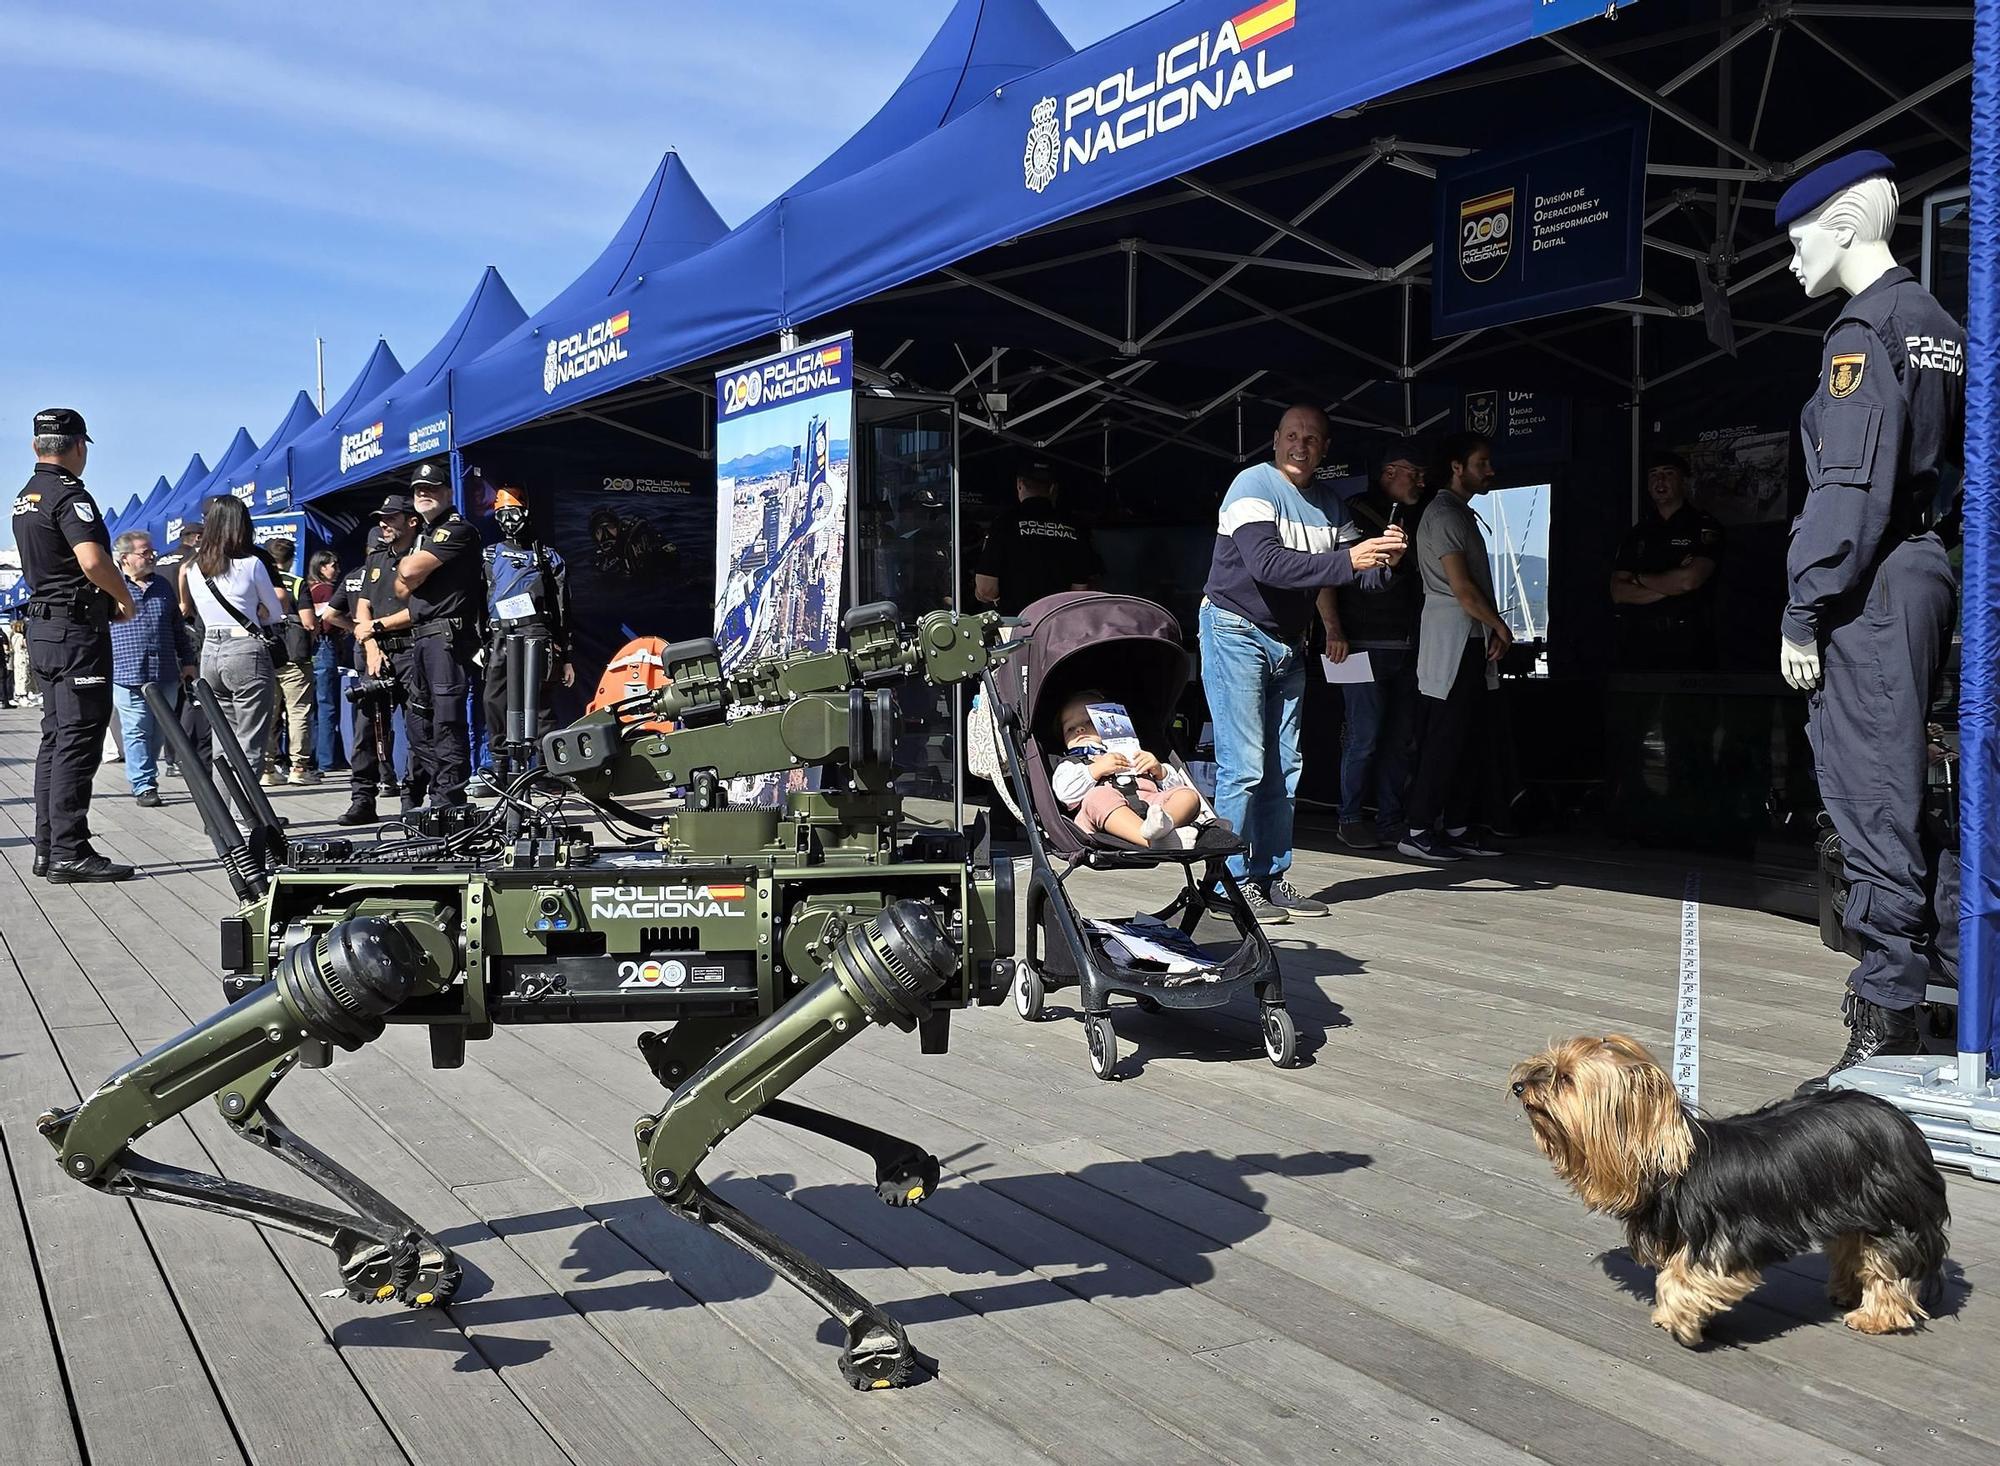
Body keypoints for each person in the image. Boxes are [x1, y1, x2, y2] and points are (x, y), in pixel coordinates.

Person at [1771, 154, 1965, 1092]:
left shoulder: (1862, 331)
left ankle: (1888, 1020)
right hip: (1927, 573)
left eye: (1799, 238)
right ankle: (1964, 994)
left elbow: (1847, 491)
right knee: (1933, 802)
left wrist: (1802, 609)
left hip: (1872, 587)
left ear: (1844, 225)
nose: (1791, 261)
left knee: (1872, 794)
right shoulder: (1942, 328)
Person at [1199, 404, 1405, 922]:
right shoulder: (1252, 485)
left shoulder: (1331, 504)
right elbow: (1267, 564)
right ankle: (1227, 884)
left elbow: (1361, 577)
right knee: (1245, 766)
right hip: (1235, 629)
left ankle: (1270, 877)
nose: (1301, 445)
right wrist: (1351, 560)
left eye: (1311, 439)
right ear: (1274, 439)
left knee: (1286, 766)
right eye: (1292, 435)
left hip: (1289, 641)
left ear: (1325, 449)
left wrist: (1386, 560)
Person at [14, 408, 135, 882]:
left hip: (45, 628)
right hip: (74, 631)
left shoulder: (26, 496)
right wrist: (123, 596)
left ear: (36, 446)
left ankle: (49, 847)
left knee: (56, 738)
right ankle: (69, 849)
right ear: (79, 446)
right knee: (79, 738)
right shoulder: (69, 495)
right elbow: (91, 560)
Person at [1400, 432, 1513, 864]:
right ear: (1456, 466)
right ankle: (1417, 829)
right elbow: (1463, 589)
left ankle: (1457, 826)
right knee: (1444, 738)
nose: (1490, 471)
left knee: (1467, 739)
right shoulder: (1444, 513)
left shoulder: (1461, 514)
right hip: (1451, 642)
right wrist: (1500, 625)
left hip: (1469, 639)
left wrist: (1490, 628)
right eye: (1482, 463)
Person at [1326, 450, 1426, 849]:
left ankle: (1390, 820)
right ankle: (1349, 818)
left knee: (1400, 739)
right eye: (1415, 473)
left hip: (1405, 645)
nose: (1421, 481)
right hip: (1354, 647)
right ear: (1389, 472)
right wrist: (1333, 630)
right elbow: (1333, 577)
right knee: (1363, 739)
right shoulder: (1351, 515)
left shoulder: (1413, 517)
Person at [179, 494, 282, 798]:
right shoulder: (251, 564)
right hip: (245, 649)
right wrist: (256, 610)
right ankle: (245, 815)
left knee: (223, 741)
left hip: (210, 650)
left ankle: (225, 813)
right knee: (250, 741)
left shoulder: (193, 568)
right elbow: (275, 612)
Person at [393, 461, 483, 807]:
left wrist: (415, 570)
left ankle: (450, 800)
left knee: (446, 722)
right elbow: (400, 589)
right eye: (419, 490)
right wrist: (413, 572)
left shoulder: (456, 529)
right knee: (418, 722)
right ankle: (440, 790)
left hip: (447, 638)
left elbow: (408, 571)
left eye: (431, 489)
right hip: (422, 637)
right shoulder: (425, 536)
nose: (424, 494)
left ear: (448, 492)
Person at [480, 485, 574, 779]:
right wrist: (480, 641)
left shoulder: (546, 556)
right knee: (495, 699)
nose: (509, 521)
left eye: (514, 513)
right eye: (502, 515)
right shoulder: (489, 555)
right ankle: (500, 765)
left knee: (539, 702)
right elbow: (477, 601)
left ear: (527, 513)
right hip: (499, 634)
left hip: (537, 633)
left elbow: (562, 608)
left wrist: (566, 654)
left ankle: (543, 770)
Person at [340, 495, 423, 823]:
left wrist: (375, 627)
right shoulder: (375, 559)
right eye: (381, 518)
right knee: (366, 729)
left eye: (391, 518)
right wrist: (372, 645)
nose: (383, 524)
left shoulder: (422, 557)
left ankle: (412, 800)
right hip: (376, 654)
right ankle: (362, 799)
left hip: (412, 651)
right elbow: (363, 607)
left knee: (418, 729)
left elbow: (420, 610)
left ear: (411, 521)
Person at [1050, 690, 1216, 849]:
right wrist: (1095, 770)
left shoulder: (1135, 750)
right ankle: (1151, 841)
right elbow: (1066, 795)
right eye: (1070, 728)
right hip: (1106, 817)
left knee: (1187, 795)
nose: (1079, 729)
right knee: (1097, 797)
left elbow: (1174, 786)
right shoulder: (1072, 764)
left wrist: (1160, 771)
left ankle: (1165, 825)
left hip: (1151, 806)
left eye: (1089, 722)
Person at [1609, 450, 1725, 671]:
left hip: (1688, 643)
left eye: (1668, 473)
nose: (1660, 480)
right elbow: (1618, 591)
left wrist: (1639, 579)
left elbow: (1689, 580)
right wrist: (1671, 585)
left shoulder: (1703, 526)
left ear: (1683, 481)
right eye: (1654, 474)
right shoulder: (1637, 533)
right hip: (1639, 644)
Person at [108, 530, 195, 809]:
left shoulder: (162, 585)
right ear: (125, 558)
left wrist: (188, 661)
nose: (152, 556)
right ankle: (143, 784)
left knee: (160, 730)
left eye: (151, 551)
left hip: (165, 671)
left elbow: (178, 628)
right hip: (127, 672)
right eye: (145, 553)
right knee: (136, 729)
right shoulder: (110, 587)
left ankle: (148, 776)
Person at [973, 460, 1098, 615]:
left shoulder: (1004, 523)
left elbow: (986, 589)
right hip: (1057, 621)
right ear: (1052, 488)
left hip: (1015, 621)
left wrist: (985, 595)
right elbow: (1080, 591)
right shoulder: (1075, 527)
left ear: (1019, 484)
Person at [260, 537, 320, 786]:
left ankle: (267, 769)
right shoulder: (296, 583)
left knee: (268, 713)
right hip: (294, 656)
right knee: (298, 712)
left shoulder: (260, 583)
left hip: (266, 654)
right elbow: (309, 622)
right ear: (291, 559)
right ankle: (299, 768)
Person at [305, 550, 345, 774]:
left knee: (313, 707)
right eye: (333, 565)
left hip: (311, 650)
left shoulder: (309, 589)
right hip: (325, 647)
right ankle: (327, 761)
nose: (337, 570)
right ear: (321, 567)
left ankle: (314, 757)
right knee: (327, 705)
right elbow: (329, 623)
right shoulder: (326, 591)